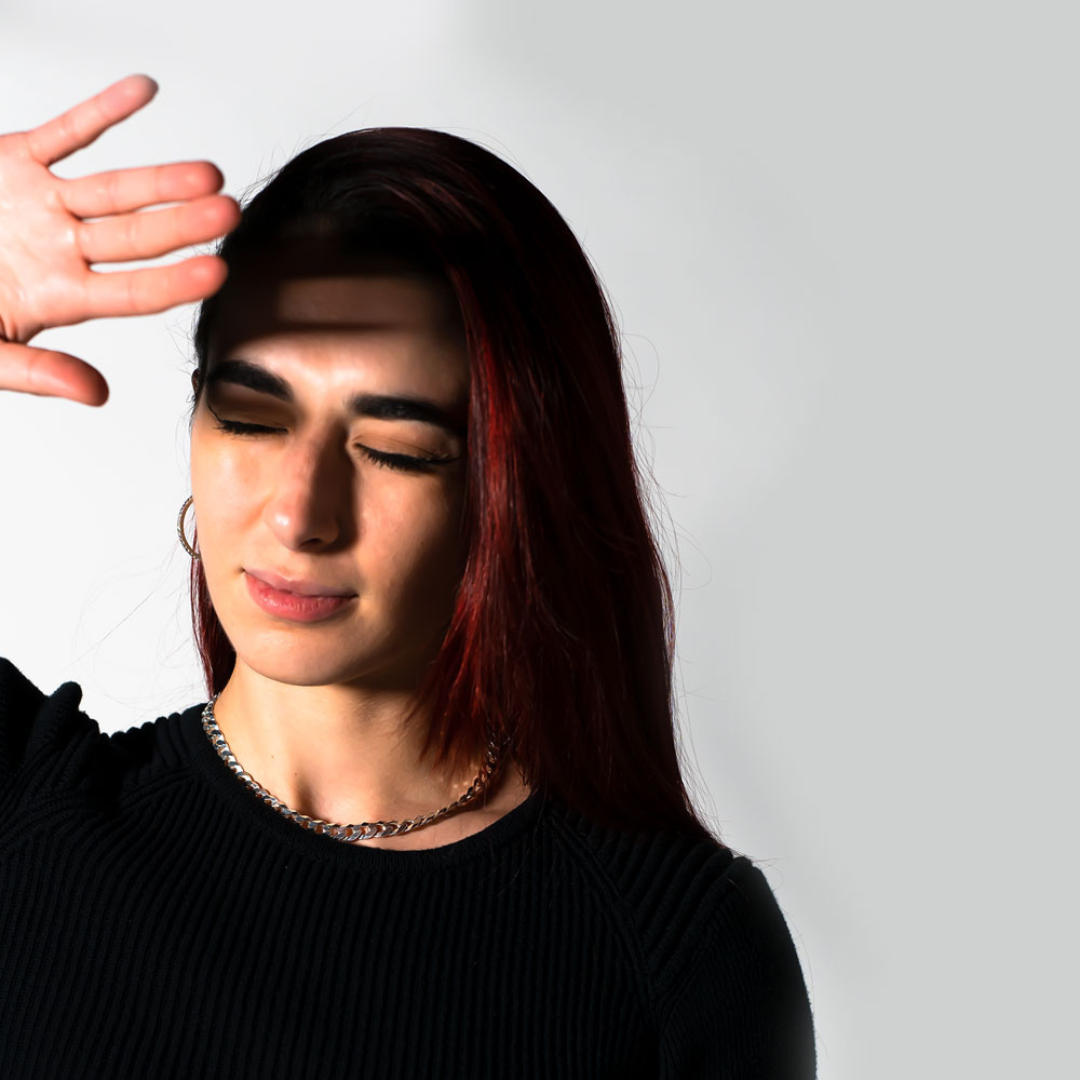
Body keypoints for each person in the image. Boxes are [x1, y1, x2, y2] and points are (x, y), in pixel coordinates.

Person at [0, 74, 817, 1077]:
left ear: (512, 491)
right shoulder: (23, 817)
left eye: (396, 449)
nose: (300, 514)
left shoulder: (676, 945)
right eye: (251, 420)